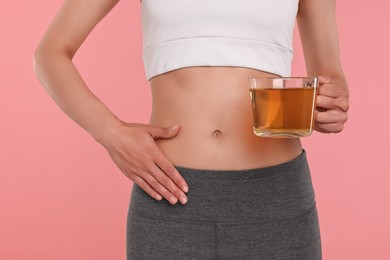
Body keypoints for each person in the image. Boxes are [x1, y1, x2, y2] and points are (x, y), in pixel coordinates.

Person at [33, 0, 349, 259]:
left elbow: (329, 74)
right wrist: (111, 134)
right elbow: (50, 53)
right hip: (169, 194)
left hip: (276, 198)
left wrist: (330, 103)